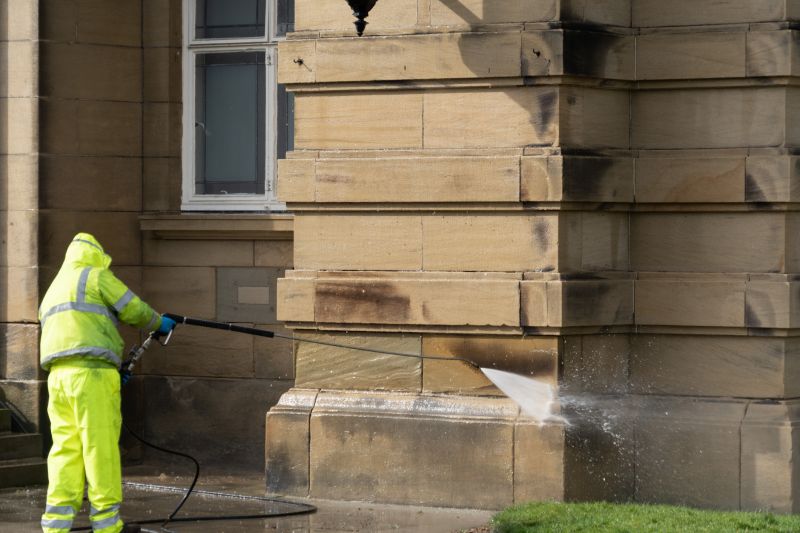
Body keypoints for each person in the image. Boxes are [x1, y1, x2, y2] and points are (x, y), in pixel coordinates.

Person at [38, 233, 176, 533]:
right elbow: (132, 308)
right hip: (92, 378)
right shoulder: (95, 276)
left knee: (65, 449)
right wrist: (158, 322)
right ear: (96, 255)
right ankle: (107, 524)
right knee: (99, 448)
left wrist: (111, 365)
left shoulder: (54, 289)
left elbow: (78, 333)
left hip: (59, 378)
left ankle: (56, 525)